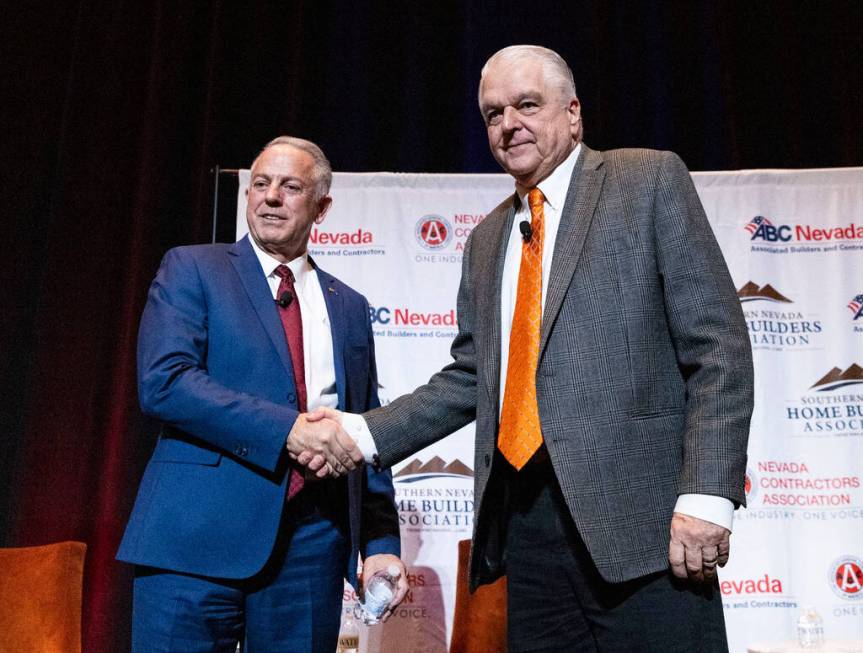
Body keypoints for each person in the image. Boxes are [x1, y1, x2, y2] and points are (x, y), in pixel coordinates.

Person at [310, 46, 753, 651]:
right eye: (493, 114)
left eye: (526, 105)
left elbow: (718, 348)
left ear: (573, 113)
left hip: (647, 532)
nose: (508, 123)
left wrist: (707, 496)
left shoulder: (645, 181)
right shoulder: (488, 238)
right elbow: (471, 377)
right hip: (527, 532)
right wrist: (360, 435)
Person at [117, 136, 407, 652]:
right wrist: (287, 430)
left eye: (290, 186)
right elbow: (165, 382)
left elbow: (365, 429)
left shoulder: (350, 306)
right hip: (193, 542)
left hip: (310, 549)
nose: (270, 197)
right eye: (261, 184)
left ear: (322, 206)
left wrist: (380, 544)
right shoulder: (193, 268)